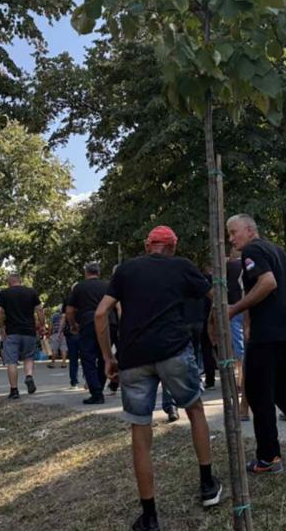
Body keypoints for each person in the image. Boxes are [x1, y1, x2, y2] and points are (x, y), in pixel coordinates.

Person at [94, 226, 222, 531]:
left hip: (133, 358)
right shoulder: (182, 266)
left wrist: (108, 358)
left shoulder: (126, 270)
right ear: (173, 247)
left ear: (146, 245)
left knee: (140, 430)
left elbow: (101, 314)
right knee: (195, 410)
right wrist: (214, 326)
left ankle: (149, 516)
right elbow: (217, 295)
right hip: (174, 351)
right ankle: (207, 484)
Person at [227, 214, 286, 474]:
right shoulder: (278, 250)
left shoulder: (252, 249)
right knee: (284, 384)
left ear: (249, 230)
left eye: (233, 232)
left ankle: (269, 457)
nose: (231, 238)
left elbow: (267, 283)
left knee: (259, 392)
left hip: (271, 332)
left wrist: (234, 309)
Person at [66, 262, 114, 405]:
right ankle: (100, 386)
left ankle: (96, 392)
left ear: (86, 273)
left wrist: (73, 325)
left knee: (88, 357)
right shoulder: (108, 286)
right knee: (104, 356)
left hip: (88, 322)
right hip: (108, 322)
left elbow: (69, 310)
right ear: (99, 273)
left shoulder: (79, 287)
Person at [0, 273, 46, 399]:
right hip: (29, 330)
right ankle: (29, 376)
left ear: (9, 282)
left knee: (11, 361)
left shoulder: (4, 293)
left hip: (12, 331)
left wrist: (2, 327)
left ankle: (14, 390)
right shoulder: (31, 292)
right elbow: (39, 310)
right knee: (28, 357)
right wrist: (42, 325)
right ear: (20, 281)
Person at [226, 248, 249, 420]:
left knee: (239, 348)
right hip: (252, 309)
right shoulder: (253, 265)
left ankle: (241, 382)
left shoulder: (229, 267)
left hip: (234, 308)